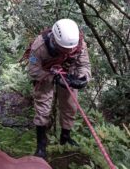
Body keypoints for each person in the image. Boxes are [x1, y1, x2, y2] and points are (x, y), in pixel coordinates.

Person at [27, 19, 91, 159]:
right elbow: (33, 70)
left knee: (70, 105)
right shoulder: (39, 47)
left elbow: (84, 65)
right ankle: (41, 145)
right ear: (55, 41)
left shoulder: (79, 44)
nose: (69, 51)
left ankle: (65, 136)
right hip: (45, 73)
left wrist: (81, 79)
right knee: (43, 106)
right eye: (65, 49)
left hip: (69, 72)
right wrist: (53, 78)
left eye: (70, 49)